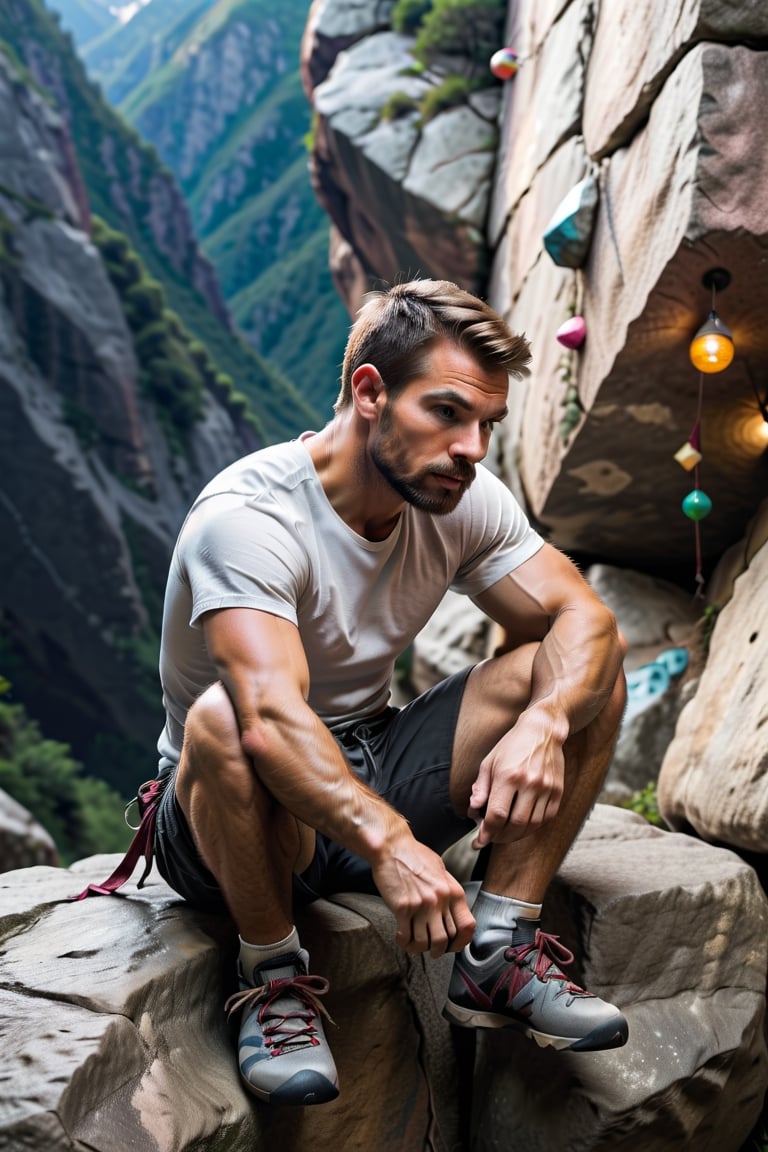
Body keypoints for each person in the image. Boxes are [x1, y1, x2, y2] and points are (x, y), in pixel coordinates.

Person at [151, 278, 629, 1108]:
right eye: (446, 413)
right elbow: (266, 717)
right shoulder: (249, 519)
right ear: (370, 393)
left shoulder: (459, 498)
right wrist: (394, 846)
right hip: (228, 802)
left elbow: (583, 618)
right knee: (225, 720)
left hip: (373, 755)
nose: (472, 447)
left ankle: (497, 953)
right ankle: (273, 977)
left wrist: (545, 723)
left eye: (486, 425)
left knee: (583, 662)